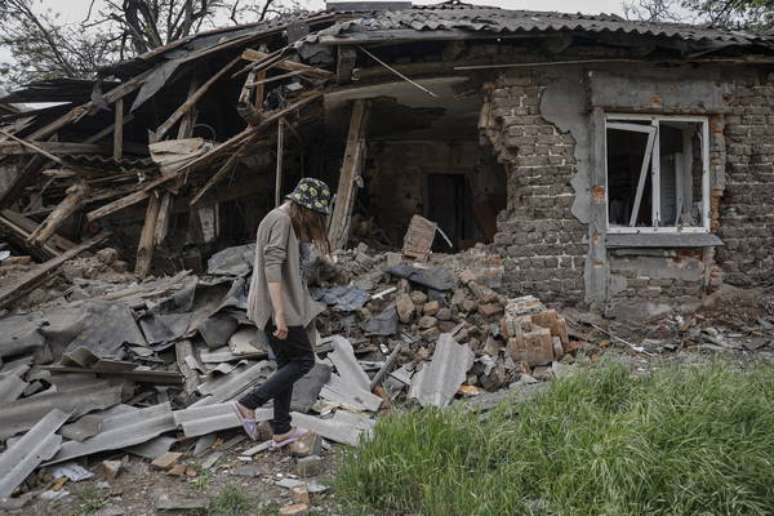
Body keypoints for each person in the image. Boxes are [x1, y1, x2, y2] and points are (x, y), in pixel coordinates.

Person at [232, 178, 332, 446]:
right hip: (277, 306)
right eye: (316, 215)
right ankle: (247, 404)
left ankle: (281, 429)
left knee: (288, 364)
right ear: (306, 208)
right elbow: (271, 267)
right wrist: (279, 313)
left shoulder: (281, 219)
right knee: (303, 361)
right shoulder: (281, 220)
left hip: (281, 304)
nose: (315, 223)